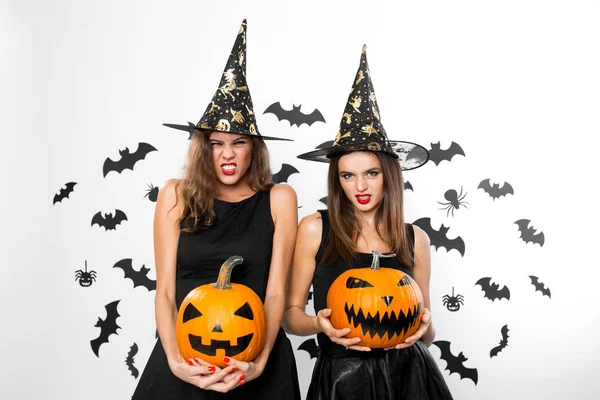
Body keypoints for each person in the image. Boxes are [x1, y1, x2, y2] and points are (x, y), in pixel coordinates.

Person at [133, 20, 301, 399]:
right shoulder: (175, 195)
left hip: (258, 360)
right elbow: (164, 293)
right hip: (185, 355)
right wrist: (176, 362)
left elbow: (275, 293)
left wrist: (258, 364)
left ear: (254, 148)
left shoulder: (279, 199)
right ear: (201, 147)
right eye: (216, 143)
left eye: (238, 142)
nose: (227, 154)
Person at [283, 45, 453, 399]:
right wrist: (320, 325)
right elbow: (290, 316)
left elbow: (428, 331)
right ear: (337, 180)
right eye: (348, 176)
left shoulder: (415, 238)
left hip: (411, 378)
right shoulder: (315, 228)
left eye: (371, 173)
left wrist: (424, 326)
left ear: (389, 174)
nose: (359, 187)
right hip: (342, 378)